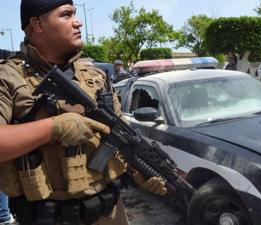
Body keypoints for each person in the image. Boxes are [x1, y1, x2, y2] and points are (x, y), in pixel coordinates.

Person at [0, 0, 166, 224]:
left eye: (75, 14)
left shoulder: (94, 74)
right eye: (66, 15)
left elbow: (120, 137)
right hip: (50, 217)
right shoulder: (8, 77)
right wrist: (53, 128)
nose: (78, 22)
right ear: (37, 24)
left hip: (111, 213)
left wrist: (140, 170)